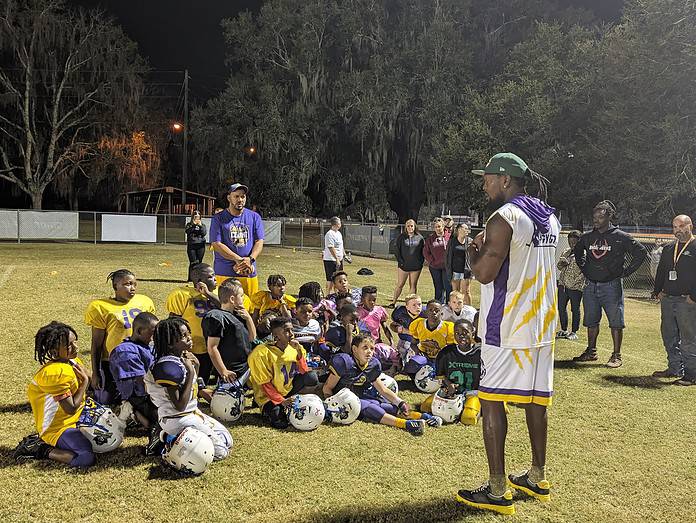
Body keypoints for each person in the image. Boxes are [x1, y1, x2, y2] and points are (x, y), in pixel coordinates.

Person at [457, 152, 561, 515]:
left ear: (505, 180)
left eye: (487, 177)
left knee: (490, 400)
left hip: (507, 326)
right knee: (536, 401)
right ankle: (537, 476)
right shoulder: (550, 217)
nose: (483, 184)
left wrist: (472, 252)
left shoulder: (504, 217)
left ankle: (498, 489)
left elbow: (485, 273)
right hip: (543, 325)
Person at [144, 317, 233, 461]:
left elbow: (193, 389)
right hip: (177, 418)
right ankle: (167, 438)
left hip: (192, 413)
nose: (189, 338)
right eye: (183, 336)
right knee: (220, 452)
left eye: (188, 333)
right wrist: (191, 372)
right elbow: (179, 405)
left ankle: (179, 438)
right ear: (171, 343)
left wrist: (195, 367)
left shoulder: (181, 358)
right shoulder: (167, 367)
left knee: (227, 440)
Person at [572, 200, 648, 368]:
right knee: (591, 320)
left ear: (609, 217)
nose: (596, 220)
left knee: (616, 321)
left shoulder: (620, 237)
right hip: (591, 285)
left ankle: (616, 356)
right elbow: (577, 251)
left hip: (611, 286)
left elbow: (641, 252)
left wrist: (626, 272)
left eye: (600, 217)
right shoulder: (588, 237)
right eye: (594, 217)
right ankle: (591, 352)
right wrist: (584, 267)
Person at [322, 335, 440, 435]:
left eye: (372, 348)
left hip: (362, 396)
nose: (369, 351)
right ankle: (405, 424)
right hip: (344, 400)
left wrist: (400, 402)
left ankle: (422, 417)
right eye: (365, 348)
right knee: (369, 407)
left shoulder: (372, 364)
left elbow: (382, 389)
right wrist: (330, 404)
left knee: (384, 406)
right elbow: (327, 387)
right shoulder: (344, 362)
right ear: (354, 349)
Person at [14, 322, 95, 468]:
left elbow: (90, 378)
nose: (75, 347)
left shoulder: (71, 360)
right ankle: (41, 448)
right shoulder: (54, 374)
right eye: (69, 345)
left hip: (79, 415)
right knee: (85, 457)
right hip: (59, 427)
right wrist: (85, 384)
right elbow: (70, 408)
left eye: (75, 342)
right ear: (54, 351)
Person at [85, 269, 156, 404]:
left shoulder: (145, 302)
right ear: (115, 286)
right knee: (107, 400)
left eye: (134, 284)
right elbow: (97, 343)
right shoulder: (101, 307)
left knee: (143, 393)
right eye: (127, 284)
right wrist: (96, 372)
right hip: (114, 359)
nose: (132, 288)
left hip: (140, 355)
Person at [248, 318, 319, 429]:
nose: (292, 334)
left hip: (287, 389)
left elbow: (304, 371)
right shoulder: (261, 353)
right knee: (280, 423)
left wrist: (299, 352)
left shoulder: (294, 347)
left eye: (292, 330)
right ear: (276, 337)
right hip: (268, 395)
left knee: (312, 377)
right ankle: (264, 407)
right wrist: (282, 401)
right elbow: (265, 384)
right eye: (287, 331)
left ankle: (286, 402)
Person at [109, 312, 162, 455]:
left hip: (152, 389)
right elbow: (141, 381)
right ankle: (153, 443)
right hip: (139, 394)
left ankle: (138, 416)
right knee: (160, 418)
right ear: (139, 331)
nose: (155, 337)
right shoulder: (125, 351)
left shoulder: (148, 345)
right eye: (152, 333)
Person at [651, 214, 696, 385]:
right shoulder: (669, 248)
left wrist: (694, 297)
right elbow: (662, 271)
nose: (677, 230)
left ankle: (692, 375)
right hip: (668, 299)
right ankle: (675, 368)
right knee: (669, 335)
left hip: (687, 301)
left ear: (690, 226)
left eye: (681, 226)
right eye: (674, 227)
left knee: (688, 338)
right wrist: (658, 291)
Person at [165, 263, 221, 385]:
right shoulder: (182, 294)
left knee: (204, 377)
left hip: (212, 344)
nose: (215, 279)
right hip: (191, 345)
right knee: (189, 377)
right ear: (200, 281)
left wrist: (207, 294)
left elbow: (226, 308)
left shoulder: (218, 293)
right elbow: (174, 322)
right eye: (211, 277)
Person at [420, 319, 482, 425]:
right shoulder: (446, 352)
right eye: (457, 333)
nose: (461, 336)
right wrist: (449, 385)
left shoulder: (481, 352)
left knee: (468, 418)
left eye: (465, 332)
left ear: (473, 332)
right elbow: (440, 376)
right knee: (425, 407)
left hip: (474, 392)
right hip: (453, 393)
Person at [210, 183, 265, 298]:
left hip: (248, 272)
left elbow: (259, 241)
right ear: (229, 198)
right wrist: (239, 260)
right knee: (225, 309)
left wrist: (250, 259)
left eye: (243, 196)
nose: (240, 199)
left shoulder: (254, 217)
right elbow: (216, 244)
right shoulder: (218, 218)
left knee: (250, 308)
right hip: (224, 272)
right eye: (236, 196)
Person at [202, 278, 256, 385]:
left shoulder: (239, 315)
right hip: (231, 371)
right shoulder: (216, 317)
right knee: (228, 399)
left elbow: (253, 339)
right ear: (232, 299)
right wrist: (223, 371)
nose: (243, 298)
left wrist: (249, 319)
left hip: (245, 367)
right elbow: (212, 347)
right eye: (241, 296)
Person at [357, 286, 399, 373]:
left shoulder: (379, 310)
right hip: (362, 345)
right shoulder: (357, 312)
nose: (372, 302)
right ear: (362, 299)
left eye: (374, 300)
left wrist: (392, 342)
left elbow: (384, 327)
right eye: (369, 300)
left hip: (376, 344)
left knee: (394, 355)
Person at [556, 230, 585, 340]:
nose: (572, 244)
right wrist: (562, 264)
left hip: (575, 287)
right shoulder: (566, 252)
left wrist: (576, 283)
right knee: (561, 307)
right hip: (563, 285)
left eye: (574, 242)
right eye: (570, 241)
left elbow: (584, 271)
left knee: (575, 309)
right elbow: (559, 267)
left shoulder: (583, 253)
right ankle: (564, 330)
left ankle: (574, 332)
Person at [389, 219, 425, 307]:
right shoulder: (401, 237)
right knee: (400, 284)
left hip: (416, 267)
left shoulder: (420, 237)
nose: (410, 228)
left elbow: (423, 251)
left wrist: (420, 262)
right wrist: (400, 262)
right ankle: (393, 302)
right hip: (403, 266)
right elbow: (396, 250)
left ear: (414, 226)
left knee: (413, 285)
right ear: (406, 227)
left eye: (411, 226)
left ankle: (411, 304)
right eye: (408, 226)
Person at [390, 294, 426, 366]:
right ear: (407, 307)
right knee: (400, 360)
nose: (418, 307)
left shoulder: (426, 313)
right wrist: (398, 328)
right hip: (404, 340)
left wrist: (408, 331)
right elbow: (393, 324)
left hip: (420, 342)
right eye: (414, 305)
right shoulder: (399, 311)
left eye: (419, 304)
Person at [423, 217, 450, 304]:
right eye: (436, 227)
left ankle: (449, 306)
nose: (438, 229)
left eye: (439, 226)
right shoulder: (430, 239)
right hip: (435, 267)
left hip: (447, 267)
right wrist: (432, 261)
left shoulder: (449, 236)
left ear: (443, 226)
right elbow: (426, 252)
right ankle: (438, 305)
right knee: (438, 287)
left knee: (448, 287)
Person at [446, 223, 473, 305]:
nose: (467, 230)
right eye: (465, 228)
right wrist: (448, 269)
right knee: (455, 292)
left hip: (466, 271)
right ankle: (456, 310)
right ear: (459, 229)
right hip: (455, 271)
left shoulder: (470, 241)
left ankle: (469, 311)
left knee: (466, 292)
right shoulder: (452, 242)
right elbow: (447, 256)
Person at [323, 216, 345, 295]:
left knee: (339, 278)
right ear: (336, 224)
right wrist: (336, 259)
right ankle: (327, 295)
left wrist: (344, 255)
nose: (340, 224)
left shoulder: (339, 233)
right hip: (330, 260)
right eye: (339, 222)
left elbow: (341, 246)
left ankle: (337, 294)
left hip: (339, 259)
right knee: (330, 279)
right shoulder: (329, 234)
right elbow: (331, 247)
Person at [185, 210, 207, 282]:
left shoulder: (202, 225)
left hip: (200, 245)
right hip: (192, 245)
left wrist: (200, 226)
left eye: (198, 217)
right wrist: (194, 225)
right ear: (193, 217)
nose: (197, 219)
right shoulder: (189, 224)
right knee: (193, 262)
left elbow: (203, 233)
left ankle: (198, 278)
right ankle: (191, 278)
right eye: (195, 217)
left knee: (199, 262)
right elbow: (187, 231)